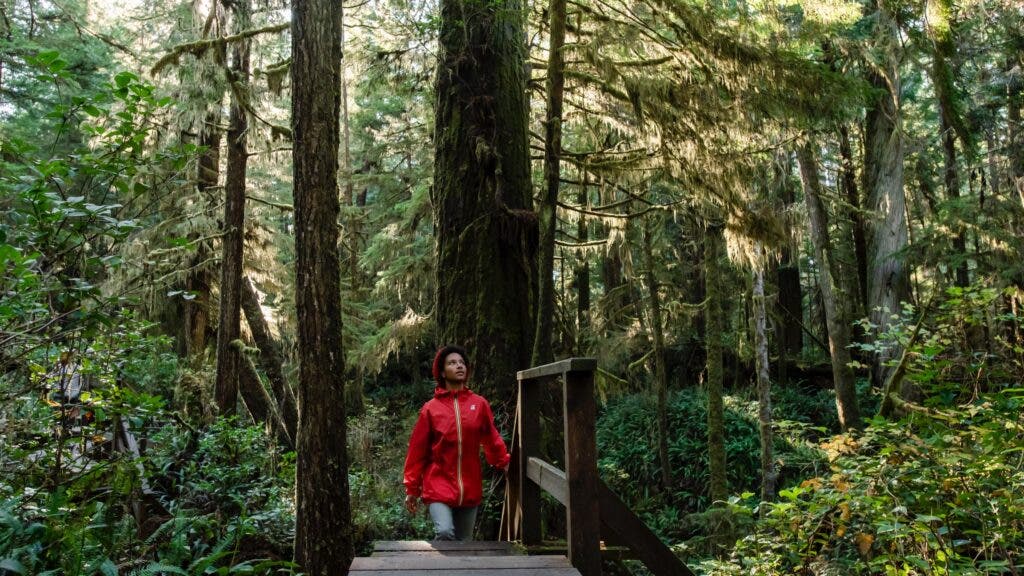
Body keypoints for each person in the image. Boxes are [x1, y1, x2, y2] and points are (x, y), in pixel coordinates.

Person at [403, 345, 511, 541]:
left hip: (470, 486)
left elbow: (491, 438)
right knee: (444, 532)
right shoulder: (430, 409)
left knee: (464, 544)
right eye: (452, 363)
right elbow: (416, 452)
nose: (459, 366)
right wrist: (412, 489)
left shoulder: (479, 404)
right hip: (438, 483)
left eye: (462, 363)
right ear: (442, 372)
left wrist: (503, 461)